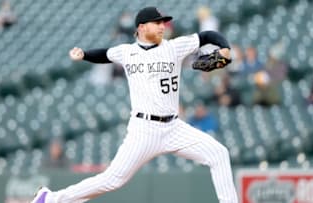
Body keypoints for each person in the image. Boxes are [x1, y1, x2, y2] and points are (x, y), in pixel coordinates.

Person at [31, 7, 238, 203]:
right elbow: (104, 54)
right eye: (157, 22)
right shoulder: (127, 52)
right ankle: (51, 199)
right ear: (141, 27)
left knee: (218, 154)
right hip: (144, 130)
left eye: (163, 23)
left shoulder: (174, 46)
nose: (162, 26)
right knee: (112, 180)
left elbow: (208, 36)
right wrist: (84, 54)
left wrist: (225, 49)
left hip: (174, 128)